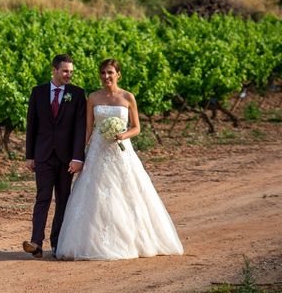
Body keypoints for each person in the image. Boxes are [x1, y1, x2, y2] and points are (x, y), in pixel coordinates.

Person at [55, 58, 184, 260]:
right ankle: (92, 242)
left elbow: (136, 127)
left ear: (118, 75)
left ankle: (131, 240)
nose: (106, 77)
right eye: (103, 73)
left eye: (110, 73)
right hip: (98, 149)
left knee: (126, 192)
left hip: (120, 151)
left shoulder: (127, 97)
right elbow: (88, 129)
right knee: (95, 194)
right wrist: (78, 155)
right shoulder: (93, 98)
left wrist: (123, 135)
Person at [22, 54, 87, 259]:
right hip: (43, 155)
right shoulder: (38, 92)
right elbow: (31, 126)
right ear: (55, 70)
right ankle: (36, 243)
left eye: (71, 72)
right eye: (65, 71)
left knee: (63, 199)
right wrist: (29, 155)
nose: (69, 75)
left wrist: (78, 157)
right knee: (42, 197)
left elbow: (79, 129)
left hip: (66, 158)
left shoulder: (77, 94)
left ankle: (58, 243)